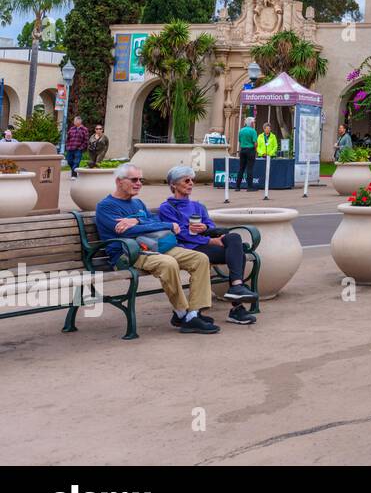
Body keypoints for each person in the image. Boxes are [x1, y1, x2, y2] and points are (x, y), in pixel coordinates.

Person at [94, 164, 219, 333]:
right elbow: (129, 231)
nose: (139, 183)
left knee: (200, 258)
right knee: (168, 263)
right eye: (134, 180)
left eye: (141, 180)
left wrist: (137, 220)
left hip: (153, 246)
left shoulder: (138, 203)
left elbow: (153, 223)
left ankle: (194, 313)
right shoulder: (106, 206)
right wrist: (145, 223)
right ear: (119, 181)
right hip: (128, 253)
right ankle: (182, 313)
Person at [157, 165, 258, 324]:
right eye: (186, 180)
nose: (191, 183)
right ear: (174, 185)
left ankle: (236, 288)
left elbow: (211, 226)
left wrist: (206, 228)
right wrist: (209, 240)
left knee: (234, 239)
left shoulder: (198, 206)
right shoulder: (166, 208)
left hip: (205, 244)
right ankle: (237, 308)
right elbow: (179, 233)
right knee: (239, 256)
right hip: (190, 249)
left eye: (192, 180)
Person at [234, 117, 257, 191]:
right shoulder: (253, 131)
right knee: (249, 168)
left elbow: (240, 141)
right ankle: (249, 187)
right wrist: (255, 149)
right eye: (254, 122)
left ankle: (237, 187)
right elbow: (255, 143)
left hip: (242, 150)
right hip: (250, 150)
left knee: (241, 168)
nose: (254, 124)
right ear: (251, 123)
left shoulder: (241, 130)